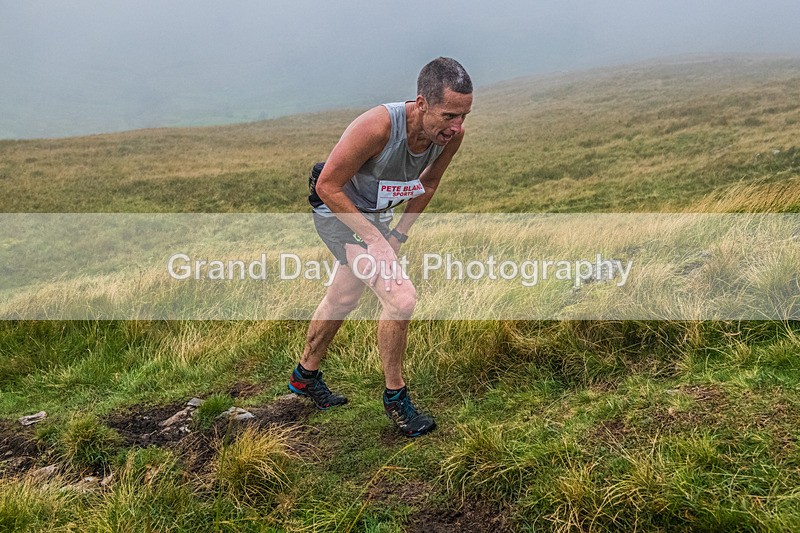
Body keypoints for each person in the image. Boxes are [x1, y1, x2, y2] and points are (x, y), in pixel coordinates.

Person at [288, 57, 473, 437]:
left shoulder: (450, 137)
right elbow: (327, 186)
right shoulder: (377, 126)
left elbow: (430, 184)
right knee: (401, 298)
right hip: (338, 214)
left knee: (342, 297)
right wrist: (374, 240)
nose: (457, 127)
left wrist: (396, 236)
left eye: (465, 116)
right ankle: (396, 399)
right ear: (421, 103)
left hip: (377, 217)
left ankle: (304, 377)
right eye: (449, 115)